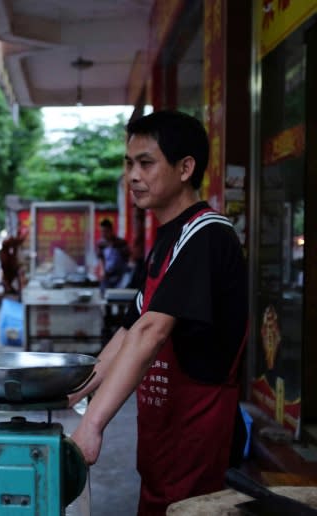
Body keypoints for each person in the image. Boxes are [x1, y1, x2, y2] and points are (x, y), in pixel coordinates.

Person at [68, 110, 248, 515]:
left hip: (196, 434)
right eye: (129, 163)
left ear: (186, 168)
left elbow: (151, 331)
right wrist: (72, 391)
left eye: (146, 163)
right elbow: (128, 331)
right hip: (162, 435)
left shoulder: (207, 234)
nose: (133, 175)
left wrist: (93, 424)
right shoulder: (168, 239)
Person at [96, 218, 130, 290]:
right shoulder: (101, 244)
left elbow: (127, 258)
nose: (103, 234)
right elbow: (101, 258)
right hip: (107, 276)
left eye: (105, 231)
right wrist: (102, 271)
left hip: (120, 276)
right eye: (102, 231)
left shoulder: (121, 243)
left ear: (111, 230)